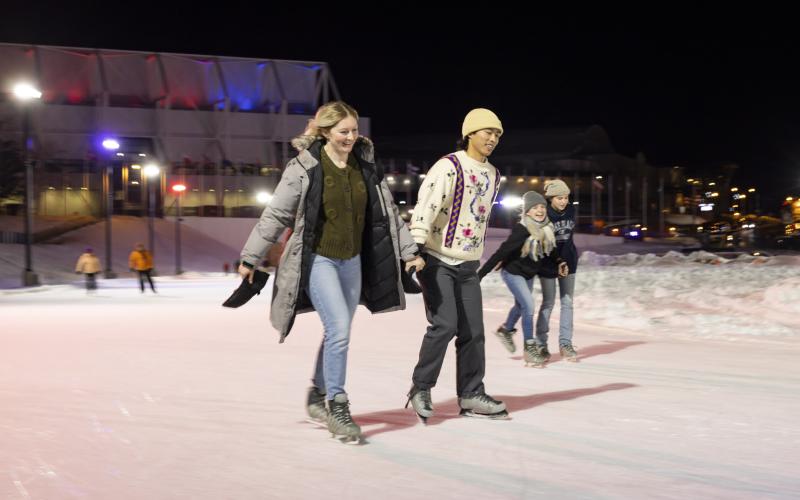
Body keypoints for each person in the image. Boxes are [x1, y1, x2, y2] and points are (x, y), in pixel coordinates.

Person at [238, 101, 424, 443]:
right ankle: (337, 404)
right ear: (325, 132)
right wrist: (251, 257)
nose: (351, 137)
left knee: (339, 329)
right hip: (319, 259)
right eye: (343, 132)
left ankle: (316, 394)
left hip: (352, 261)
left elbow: (388, 214)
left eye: (354, 130)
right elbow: (277, 214)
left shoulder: (365, 166)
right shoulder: (305, 167)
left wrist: (409, 251)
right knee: (338, 328)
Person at [406, 108, 508, 421]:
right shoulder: (449, 166)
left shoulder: (493, 174)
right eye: (486, 132)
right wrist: (415, 248)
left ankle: (471, 393)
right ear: (469, 134)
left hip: (467, 264)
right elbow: (427, 206)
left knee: (474, 332)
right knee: (445, 324)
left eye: (497, 134)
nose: (492, 138)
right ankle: (421, 387)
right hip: (436, 260)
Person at [478, 191, 568, 367]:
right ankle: (530, 349)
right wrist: (481, 274)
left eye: (542, 206)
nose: (540, 210)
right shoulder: (522, 229)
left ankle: (505, 330)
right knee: (528, 306)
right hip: (513, 272)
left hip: (528, 273)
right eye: (535, 207)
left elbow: (551, 249)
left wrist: (559, 261)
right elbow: (503, 251)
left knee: (521, 306)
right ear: (527, 211)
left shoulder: (547, 228)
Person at [536, 179, 579, 362]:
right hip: (548, 263)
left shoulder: (571, 210)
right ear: (551, 198)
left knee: (567, 302)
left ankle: (565, 343)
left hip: (569, 262)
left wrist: (566, 260)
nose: (564, 201)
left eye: (566, 197)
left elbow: (568, 238)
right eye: (560, 198)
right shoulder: (543, 213)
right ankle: (541, 345)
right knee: (548, 303)